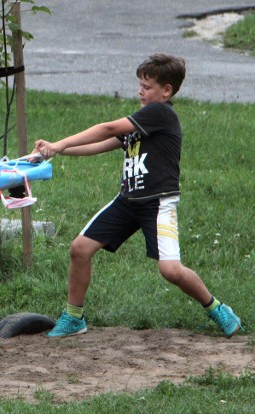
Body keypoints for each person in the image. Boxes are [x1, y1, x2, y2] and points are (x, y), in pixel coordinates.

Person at [33, 53, 242, 339]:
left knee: (170, 270)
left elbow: (107, 128)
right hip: (127, 201)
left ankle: (216, 308)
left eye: (147, 86)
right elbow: (102, 143)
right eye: (139, 85)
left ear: (166, 91)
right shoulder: (143, 121)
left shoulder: (161, 114)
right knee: (80, 248)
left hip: (157, 204)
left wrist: (59, 143)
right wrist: (54, 152)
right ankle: (73, 317)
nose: (140, 91)